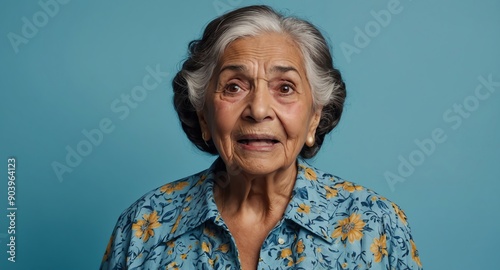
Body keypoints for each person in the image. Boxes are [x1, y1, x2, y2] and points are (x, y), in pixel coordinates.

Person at [100, 5, 422, 270]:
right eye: (234, 87)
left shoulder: (376, 227)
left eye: (285, 88)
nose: (258, 109)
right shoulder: (143, 228)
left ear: (314, 117)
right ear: (203, 116)